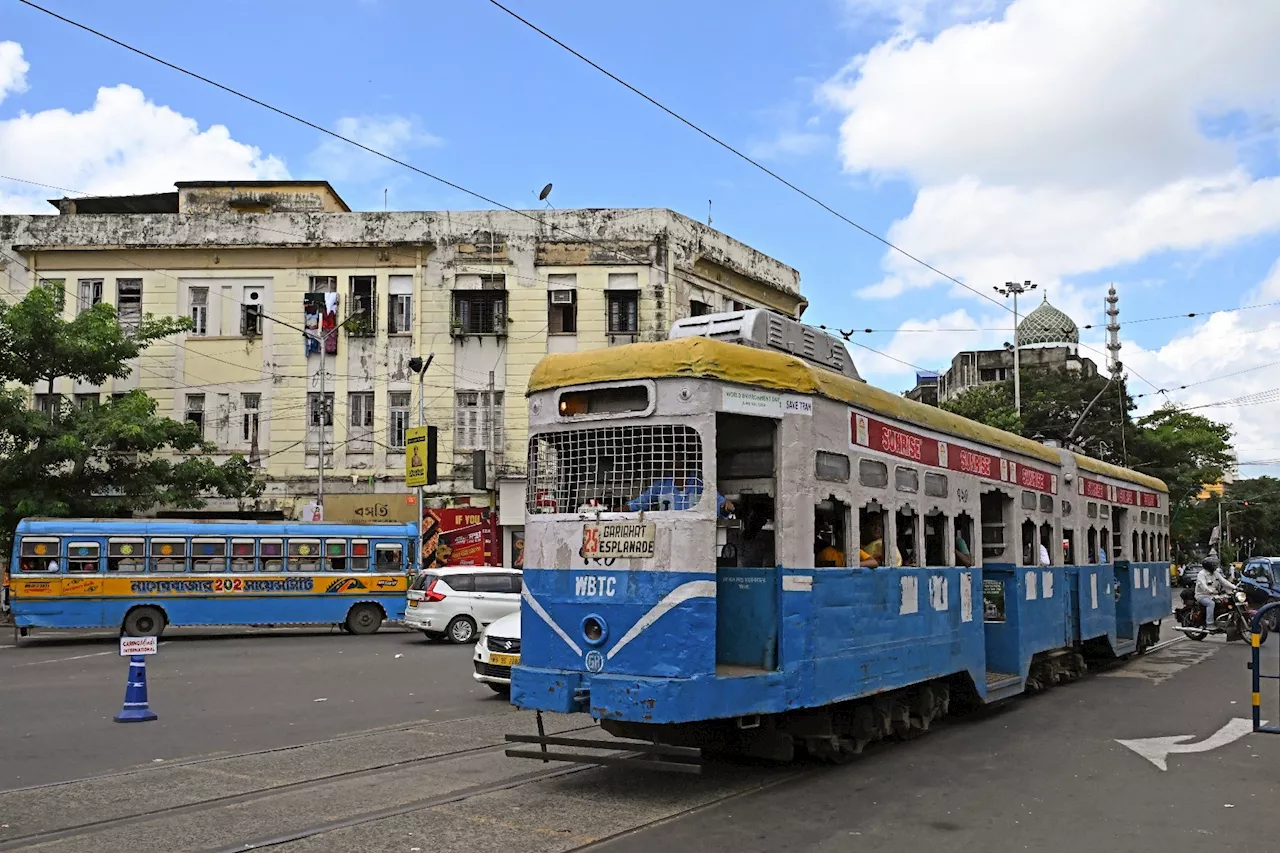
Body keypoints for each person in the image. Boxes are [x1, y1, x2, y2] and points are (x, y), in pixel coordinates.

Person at [628, 452, 734, 516]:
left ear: (685, 460)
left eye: (676, 458)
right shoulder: (661, 485)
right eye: (670, 458)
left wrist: (726, 506)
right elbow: (640, 503)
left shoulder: (700, 483)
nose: (672, 462)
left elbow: (719, 503)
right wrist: (616, 510)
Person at [1195, 555, 1236, 632]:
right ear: (1209, 565)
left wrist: (1234, 587)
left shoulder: (1215, 573)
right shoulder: (1201, 574)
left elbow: (1224, 582)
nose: (1215, 566)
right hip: (1202, 595)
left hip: (1213, 595)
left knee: (1226, 600)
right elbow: (1202, 584)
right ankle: (1209, 624)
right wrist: (1210, 591)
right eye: (1214, 565)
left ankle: (1222, 620)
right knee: (1211, 604)